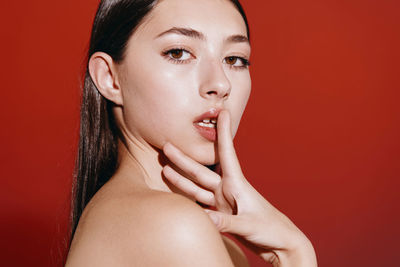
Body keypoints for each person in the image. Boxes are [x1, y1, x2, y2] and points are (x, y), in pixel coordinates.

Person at [66, 0, 317, 266]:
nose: (220, 84)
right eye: (178, 53)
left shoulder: (215, 242)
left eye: (234, 59)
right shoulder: (176, 227)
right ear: (109, 77)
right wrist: (295, 252)